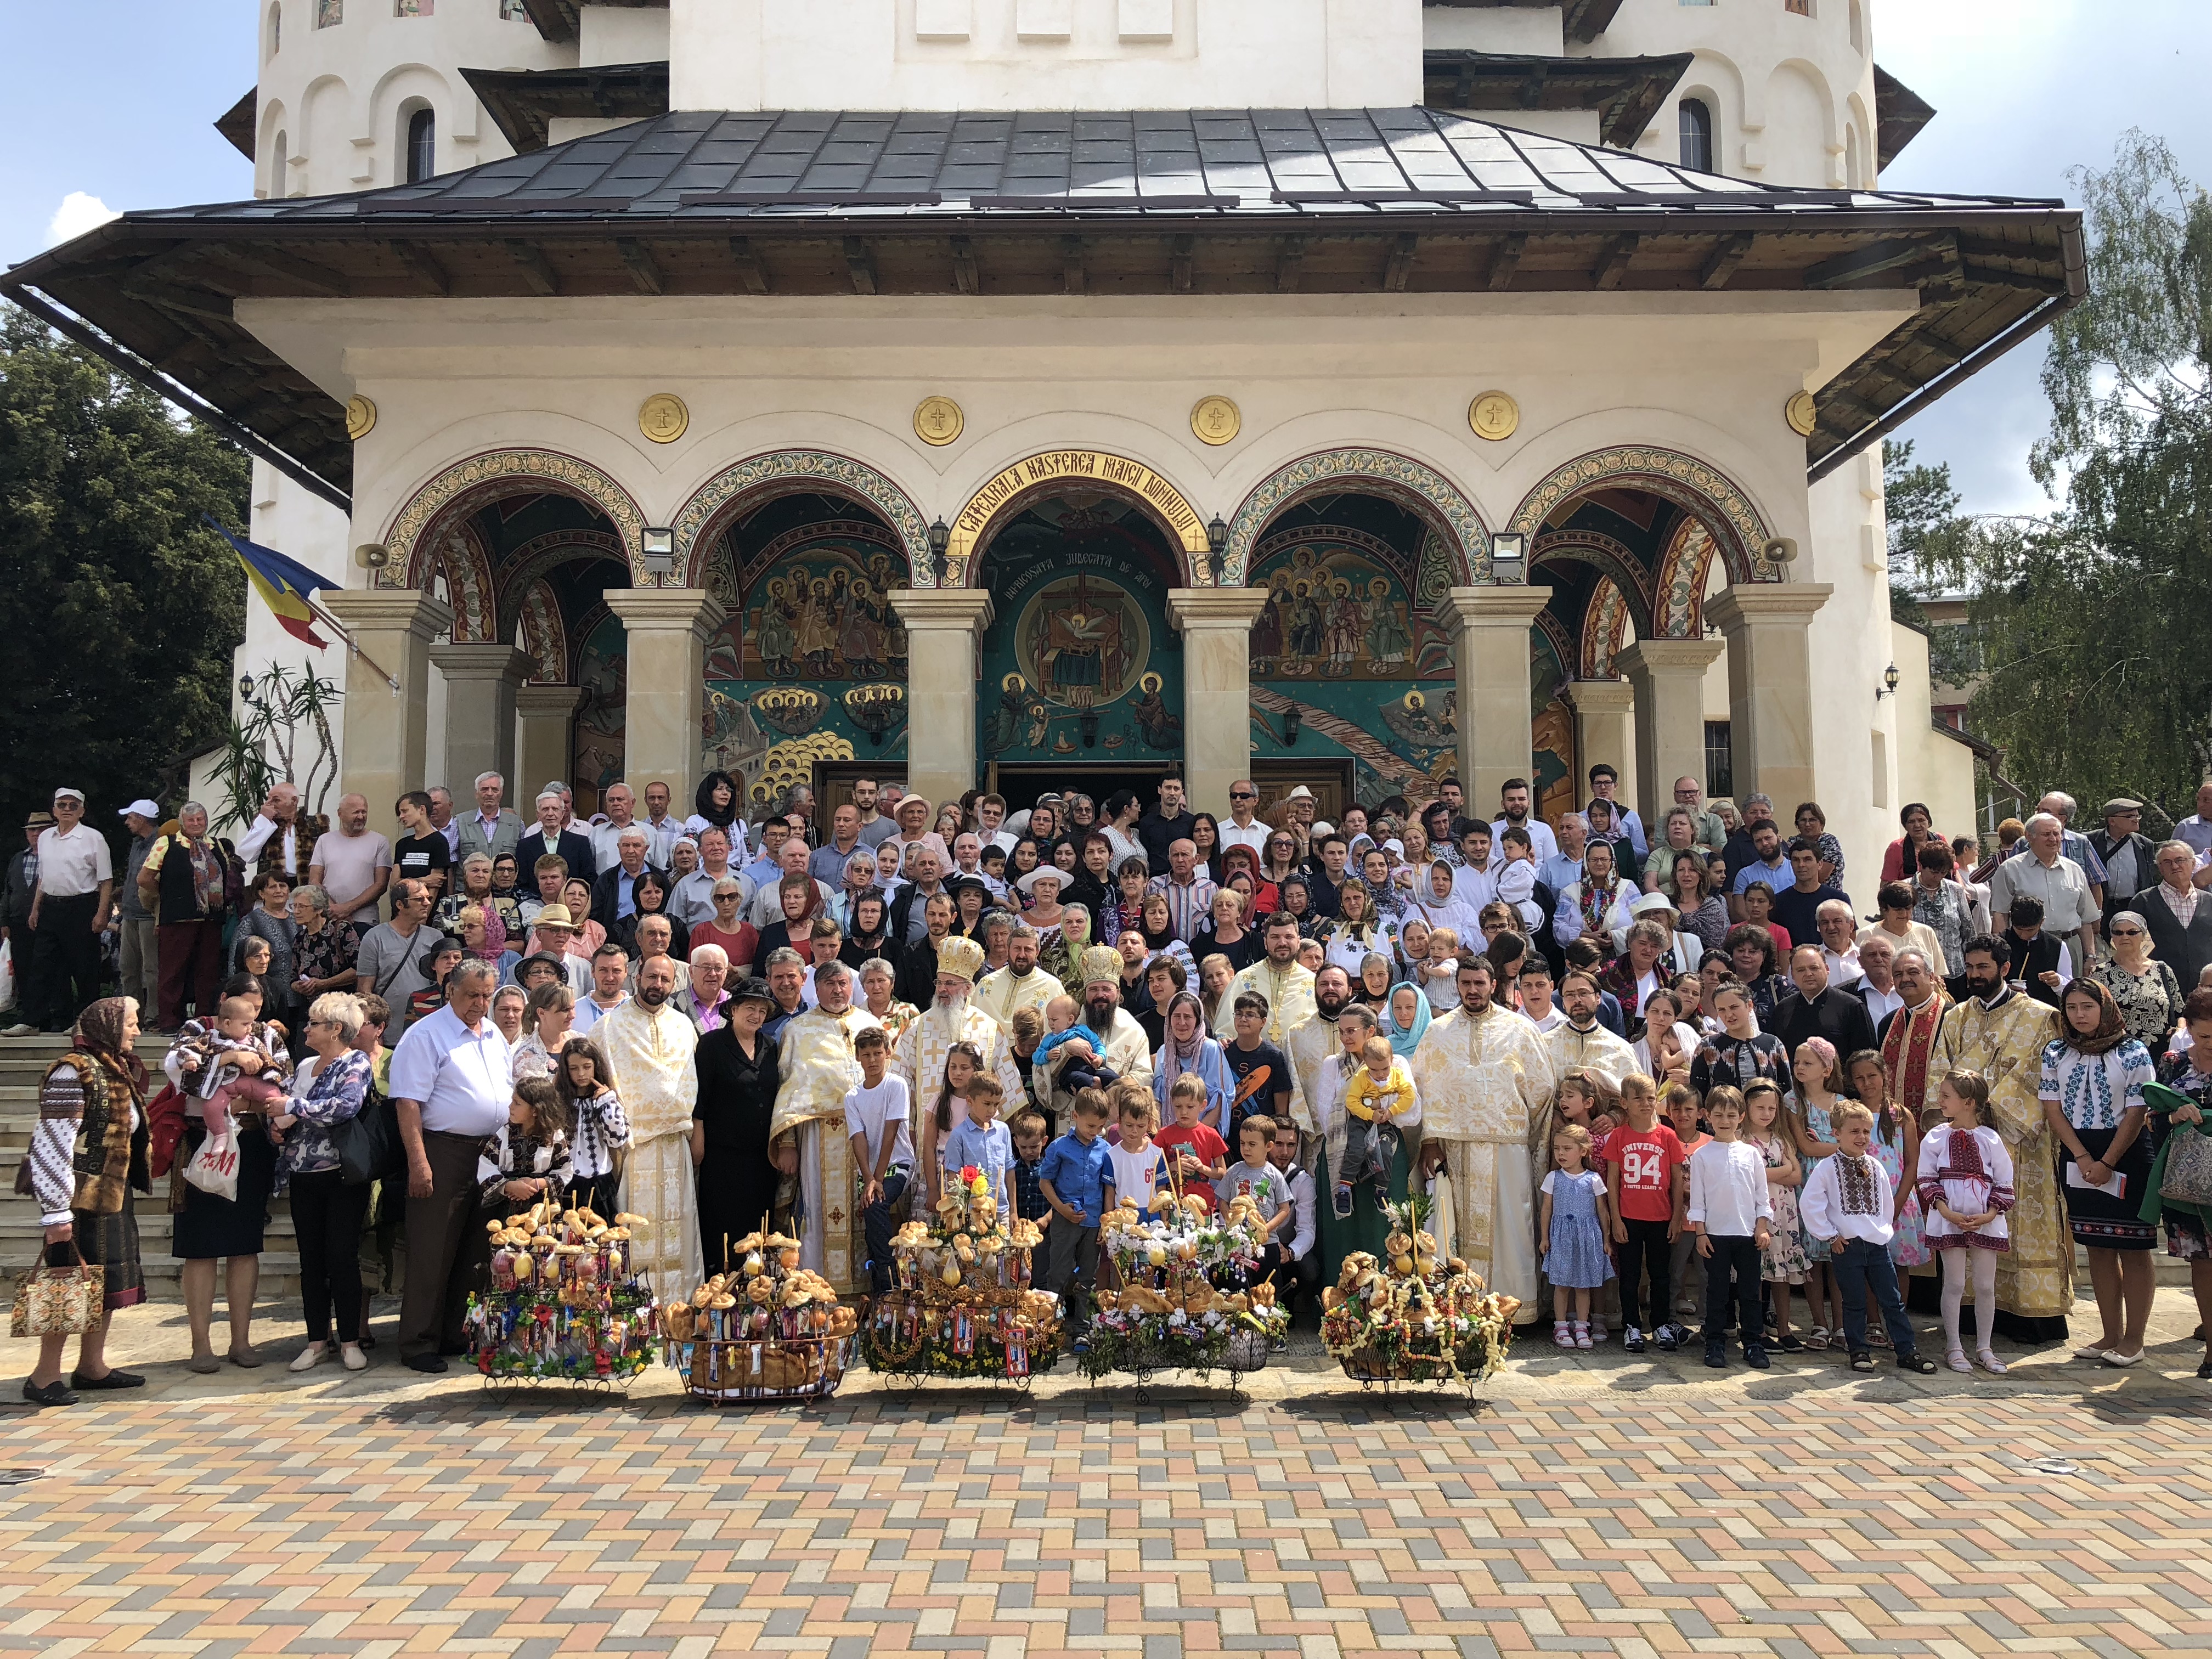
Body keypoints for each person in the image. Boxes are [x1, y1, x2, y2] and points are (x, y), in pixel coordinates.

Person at [1929, 936, 2074, 1342]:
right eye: (1970, 967)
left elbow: (2040, 1077)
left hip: (2023, 1142)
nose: (1975, 975)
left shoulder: (2041, 1017)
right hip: (1966, 1143)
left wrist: (1990, 1113)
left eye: (1984, 967)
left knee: (2025, 1225)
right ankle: (1975, 1320)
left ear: (2005, 969)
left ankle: (2032, 1316)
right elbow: (1940, 1074)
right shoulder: (1956, 1017)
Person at [21, 997, 151, 1405]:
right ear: (110, 1024)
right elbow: (52, 1144)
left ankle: (92, 1367)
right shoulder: (72, 1071)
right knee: (67, 1285)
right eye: (131, 1023)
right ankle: (43, 1377)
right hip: (76, 1200)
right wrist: (57, 1212)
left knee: (105, 1284)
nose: (137, 1031)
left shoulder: (114, 1068)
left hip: (110, 1194)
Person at [1407, 956, 1552, 1312]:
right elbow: (1422, 1088)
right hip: (1452, 1148)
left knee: (1511, 1229)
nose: (1473, 990)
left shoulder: (1519, 1030)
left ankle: (1511, 1305)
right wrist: (1429, 1140)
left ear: (1494, 985)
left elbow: (1542, 1088)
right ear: (1458, 986)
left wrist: (1521, 1132)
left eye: (1479, 983)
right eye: (1466, 983)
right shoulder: (1438, 1032)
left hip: (1507, 1147)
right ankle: (1453, 1304)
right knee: (1451, 1227)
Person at [388, 958, 512, 1372]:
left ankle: (456, 1333)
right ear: (450, 992)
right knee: (432, 1247)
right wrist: (419, 1162)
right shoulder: (425, 1035)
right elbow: (408, 1103)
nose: (481, 1003)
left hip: (490, 1154)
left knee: (476, 1248)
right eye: (472, 995)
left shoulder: (494, 1033)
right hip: (442, 1149)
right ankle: (418, 1342)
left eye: (487, 995)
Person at [2039, 978, 2156, 1364]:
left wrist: (2107, 1161)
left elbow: (2138, 1110)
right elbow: (2052, 1106)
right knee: (2098, 1244)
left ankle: (2134, 1341)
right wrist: (2083, 1157)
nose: (2079, 1015)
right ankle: (2110, 1335)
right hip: (2078, 1151)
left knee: (2133, 1248)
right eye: (2071, 1008)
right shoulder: (2056, 1051)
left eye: (2087, 1007)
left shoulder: (2134, 1051)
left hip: (2127, 1151)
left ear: (2104, 1008)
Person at [271, 991, 374, 1373]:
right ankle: (317, 1340)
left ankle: (349, 1340)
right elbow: (286, 1108)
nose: (307, 1029)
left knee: (341, 1256)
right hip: (302, 1175)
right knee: (310, 1260)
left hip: (342, 1176)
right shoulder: (305, 1066)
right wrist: (277, 1126)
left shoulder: (356, 1063)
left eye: (314, 1023)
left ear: (335, 1029)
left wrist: (292, 1109)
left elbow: (344, 1107)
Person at [1797, 1101, 1937, 1374]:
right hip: (1847, 1245)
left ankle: (1907, 1350)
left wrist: (1882, 1232)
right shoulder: (1826, 1168)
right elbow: (1810, 1203)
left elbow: (1885, 1203)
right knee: (1854, 1301)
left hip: (1876, 1245)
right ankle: (1858, 1350)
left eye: (1865, 1132)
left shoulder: (1875, 1166)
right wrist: (1830, 1235)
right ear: (1836, 1133)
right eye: (1854, 1132)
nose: (1861, 1137)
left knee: (1892, 1299)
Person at [594, 955, 700, 1306]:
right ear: (637, 977)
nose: (657, 984)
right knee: (632, 1227)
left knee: (679, 1225)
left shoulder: (685, 1026)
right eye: (651, 976)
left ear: (674, 984)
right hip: (633, 1146)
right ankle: (633, 1306)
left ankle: (679, 1306)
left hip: (674, 1143)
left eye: (665, 979)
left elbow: (691, 1082)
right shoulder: (610, 1027)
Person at [770, 958, 881, 1292]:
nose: (837, 990)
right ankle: (818, 1288)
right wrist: (788, 1143)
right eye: (829, 984)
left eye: (843, 983)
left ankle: (864, 1291)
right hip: (819, 1135)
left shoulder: (869, 1023)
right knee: (818, 1213)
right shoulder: (796, 1030)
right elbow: (786, 1089)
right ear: (815, 989)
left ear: (852, 986)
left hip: (866, 1131)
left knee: (866, 1209)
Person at [1916, 1068, 2015, 1373]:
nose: (1940, 1101)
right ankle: (1954, 1346)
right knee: (1955, 1282)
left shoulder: (1990, 1139)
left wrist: (1989, 1214)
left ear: (1969, 1103)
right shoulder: (1936, 1137)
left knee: (1985, 1285)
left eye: (1947, 1096)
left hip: (1985, 1219)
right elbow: (1927, 1177)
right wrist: (1946, 1212)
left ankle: (1985, 1347)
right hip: (1949, 1219)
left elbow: (2004, 1181)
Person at [692, 977, 781, 1274]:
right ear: (733, 1009)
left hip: (762, 1156)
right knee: (723, 1225)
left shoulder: (771, 1046)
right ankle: (721, 1289)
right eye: (749, 1008)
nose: (756, 1016)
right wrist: (699, 1142)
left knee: (759, 1224)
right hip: (722, 1156)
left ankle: (755, 1290)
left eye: (762, 1010)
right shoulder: (712, 1045)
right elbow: (699, 1098)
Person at [1597, 1073, 1686, 1353]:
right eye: (1639, 1099)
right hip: (1629, 1218)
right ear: (1624, 1103)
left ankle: (1659, 1325)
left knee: (1661, 1275)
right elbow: (1612, 1180)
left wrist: (1676, 1217)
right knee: (1631, 1275)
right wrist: (1616, 1219)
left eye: (1651, 1098)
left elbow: (1676, 1180)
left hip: (1661, 1218)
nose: (1646, 1104)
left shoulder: (1668, 1136)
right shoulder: (1619, 1136)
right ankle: (1632, 1326)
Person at [1686, 1087, 1772, 1370]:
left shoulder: (1751, 1154)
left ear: (1742, 1117)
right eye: (1719, 1115)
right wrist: (1700, 1233)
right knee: (1717, 1292)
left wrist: (1762, 1228)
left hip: (1748, 1235)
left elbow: (1762, 1196)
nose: (1725, 1120)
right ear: (1707, 1116)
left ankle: (1753, 1343)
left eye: (1732, 1115)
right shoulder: (1701, 1156)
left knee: (1750, 1292)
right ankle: (1715, 1343)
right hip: (1715, 1236)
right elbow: (1697, 1199)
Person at [24, 788, 115, 1035]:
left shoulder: (93, 838)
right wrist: (35, 908)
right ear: (54, 809)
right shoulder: (45, 838)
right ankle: (34, 1020)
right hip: (51, 906)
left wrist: (101, 913)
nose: (66, 809)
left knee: (85, 968)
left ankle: (87, 1023)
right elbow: (44, 877)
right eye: (62, 805)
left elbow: (106, 880)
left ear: (82, 811)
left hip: (82, 906)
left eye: (72, 806)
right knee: (42, 966)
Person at [1039, 1090, 1115, 1345]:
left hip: (1093, 1224)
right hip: (1064, 1220)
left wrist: (1106, 1222)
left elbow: (1107, 1188)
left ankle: (1081, 1328)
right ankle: (1051, 1327)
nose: (1095, 1131)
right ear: (1075, 1116)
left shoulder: (1106, 1150)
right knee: (1059, 1272)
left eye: (1100, 1126)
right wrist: (1061, 1210)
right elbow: (1045, 1183)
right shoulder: (1059, 1147)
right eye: (1090, 1125)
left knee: (1087, 1276)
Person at [841, 1025, 913, 1294]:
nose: (872, 1060)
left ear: (888, 1054)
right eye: (866, 1054)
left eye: (878, 1053)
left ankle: (888, 1280)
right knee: (871, 1217)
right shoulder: (853, 1097)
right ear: (858, 1057)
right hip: (870, 1173)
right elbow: (858, 1138)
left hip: (898, 1164)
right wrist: (869, 1179)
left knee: (876, 1206)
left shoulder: (896, 1085)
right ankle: (877, 1285)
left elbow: (891, 1132)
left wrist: (879, 1180)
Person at [1988, 813, 2100, 973]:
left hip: (2070, 946)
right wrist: (2002, 954)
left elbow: (2086, 919)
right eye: (2046, 834)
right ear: (2029, 837)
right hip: (2029, 947)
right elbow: (2000, 915)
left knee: (2071, 996)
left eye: (2056, 834)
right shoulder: (2010, 869)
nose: (2053, 839)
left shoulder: (2074, 870)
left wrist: (2090, 956)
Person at [1539, 1122, 1612, 1350]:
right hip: (1562, 1237)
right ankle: (1561, 1326)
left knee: (1584, 1285)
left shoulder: (1593, 1179)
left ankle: (1582, 1326)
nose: (1561, 1153)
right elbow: (1546, 1209)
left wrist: (1606, 1240)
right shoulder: (1554, 1178)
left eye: (1567, 1148)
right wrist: (1544, 1238)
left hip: (1587, 1237)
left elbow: (1602, 1211)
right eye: (1557, 1149)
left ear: (1583, 1151)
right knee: (1561, 1284)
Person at [1216, 911, 1318, 1047]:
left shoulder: (1315, 982)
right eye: (1275, 937)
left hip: (1299, 1064)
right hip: (1253, 1063)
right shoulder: (1244, 979)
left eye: (1289, 937)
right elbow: (1224, 1030)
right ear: (1265, 942)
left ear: (1298, 942)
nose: (1282, 943)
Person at [353, 878, 438, 1037]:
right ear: (400, 905)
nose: (426, 903)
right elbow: (365, 990)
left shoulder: (436, 937)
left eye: (428, 898)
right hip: (388, 1031)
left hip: (428, 1029)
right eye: (419, 899)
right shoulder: (375, 937)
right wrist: (374, 1033)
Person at [2128, 840, 2212, 991]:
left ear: (2193, 864)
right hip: (2159, 988)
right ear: (2160, 868)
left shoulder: (2209, 901)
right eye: (2167, 862)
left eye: (2180, 860)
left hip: (2205, 991)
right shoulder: (2144, 901)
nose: (2175, 866)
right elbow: (2132, 947)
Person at [2096, 909, 2183, 1053]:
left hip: (2162, 1052)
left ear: (2143, 935)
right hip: (2120, 1054)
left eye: (2132, 932)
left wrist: (2180, 1031)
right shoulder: (2100, 973)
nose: (2124, 937)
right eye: (2118, 932)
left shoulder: (2162, 969)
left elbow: (2180, 1011)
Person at [307, 794, 393, 936]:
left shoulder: (379, 841)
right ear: (340, 814)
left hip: (364, 920)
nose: (360, 817)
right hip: (328, 918)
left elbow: (381, 885)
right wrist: (334, 909)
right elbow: (314, 880)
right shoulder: (325, 840)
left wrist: (348, 908)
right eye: (355, 812)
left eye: (364, 812)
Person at [1153, 989, 1233, 1133]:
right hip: (1170, 1136)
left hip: (1202, 1135)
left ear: (1198, 1020)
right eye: (1177, 1016)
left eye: (1188, 1017)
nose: (1182, 1023)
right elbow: (1158, 1100)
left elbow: (1220, 1102)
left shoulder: (1211, 1049)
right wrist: (1166, 1136)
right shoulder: (1164, 1052)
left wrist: (1193, 1135)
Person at [454, 773, 523, 866]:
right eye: (484, 789)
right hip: (469, 880)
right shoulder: (460, 822)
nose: (490, 794)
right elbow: (451, 859)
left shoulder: (517, 824)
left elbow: (523, 859)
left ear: (501, 793)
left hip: (504, 879)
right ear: (476, 794)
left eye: (495, 790)